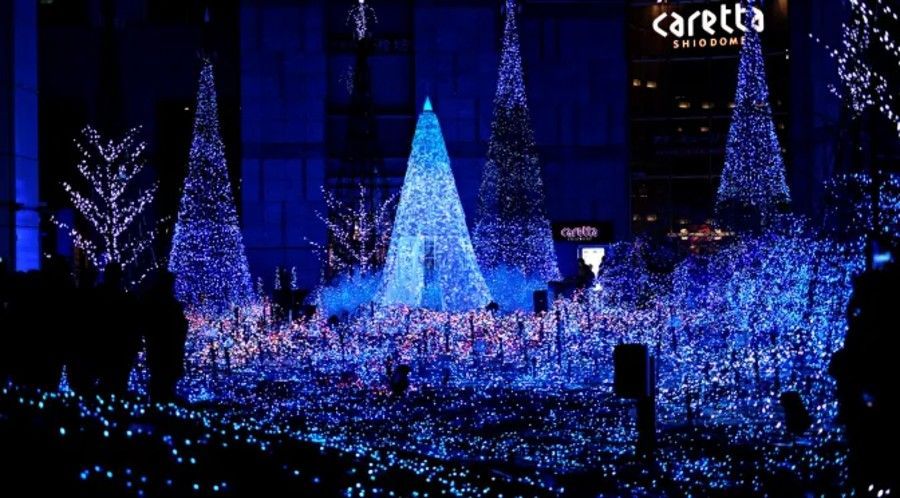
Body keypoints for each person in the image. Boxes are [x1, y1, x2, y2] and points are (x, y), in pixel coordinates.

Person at [830, 262, 899, 494]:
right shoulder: (865, 326)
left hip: (868, 407)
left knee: (867, 454)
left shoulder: (866, 328)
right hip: (865, 404)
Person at [142, 270, 188, 403]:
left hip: (163, 348)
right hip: (166, 348)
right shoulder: (163, 303)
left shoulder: (156, 300)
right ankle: (161, 405)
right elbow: (174, 325)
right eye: (171, 284)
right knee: (163, 378)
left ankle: (161, 403)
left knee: (162, 377)